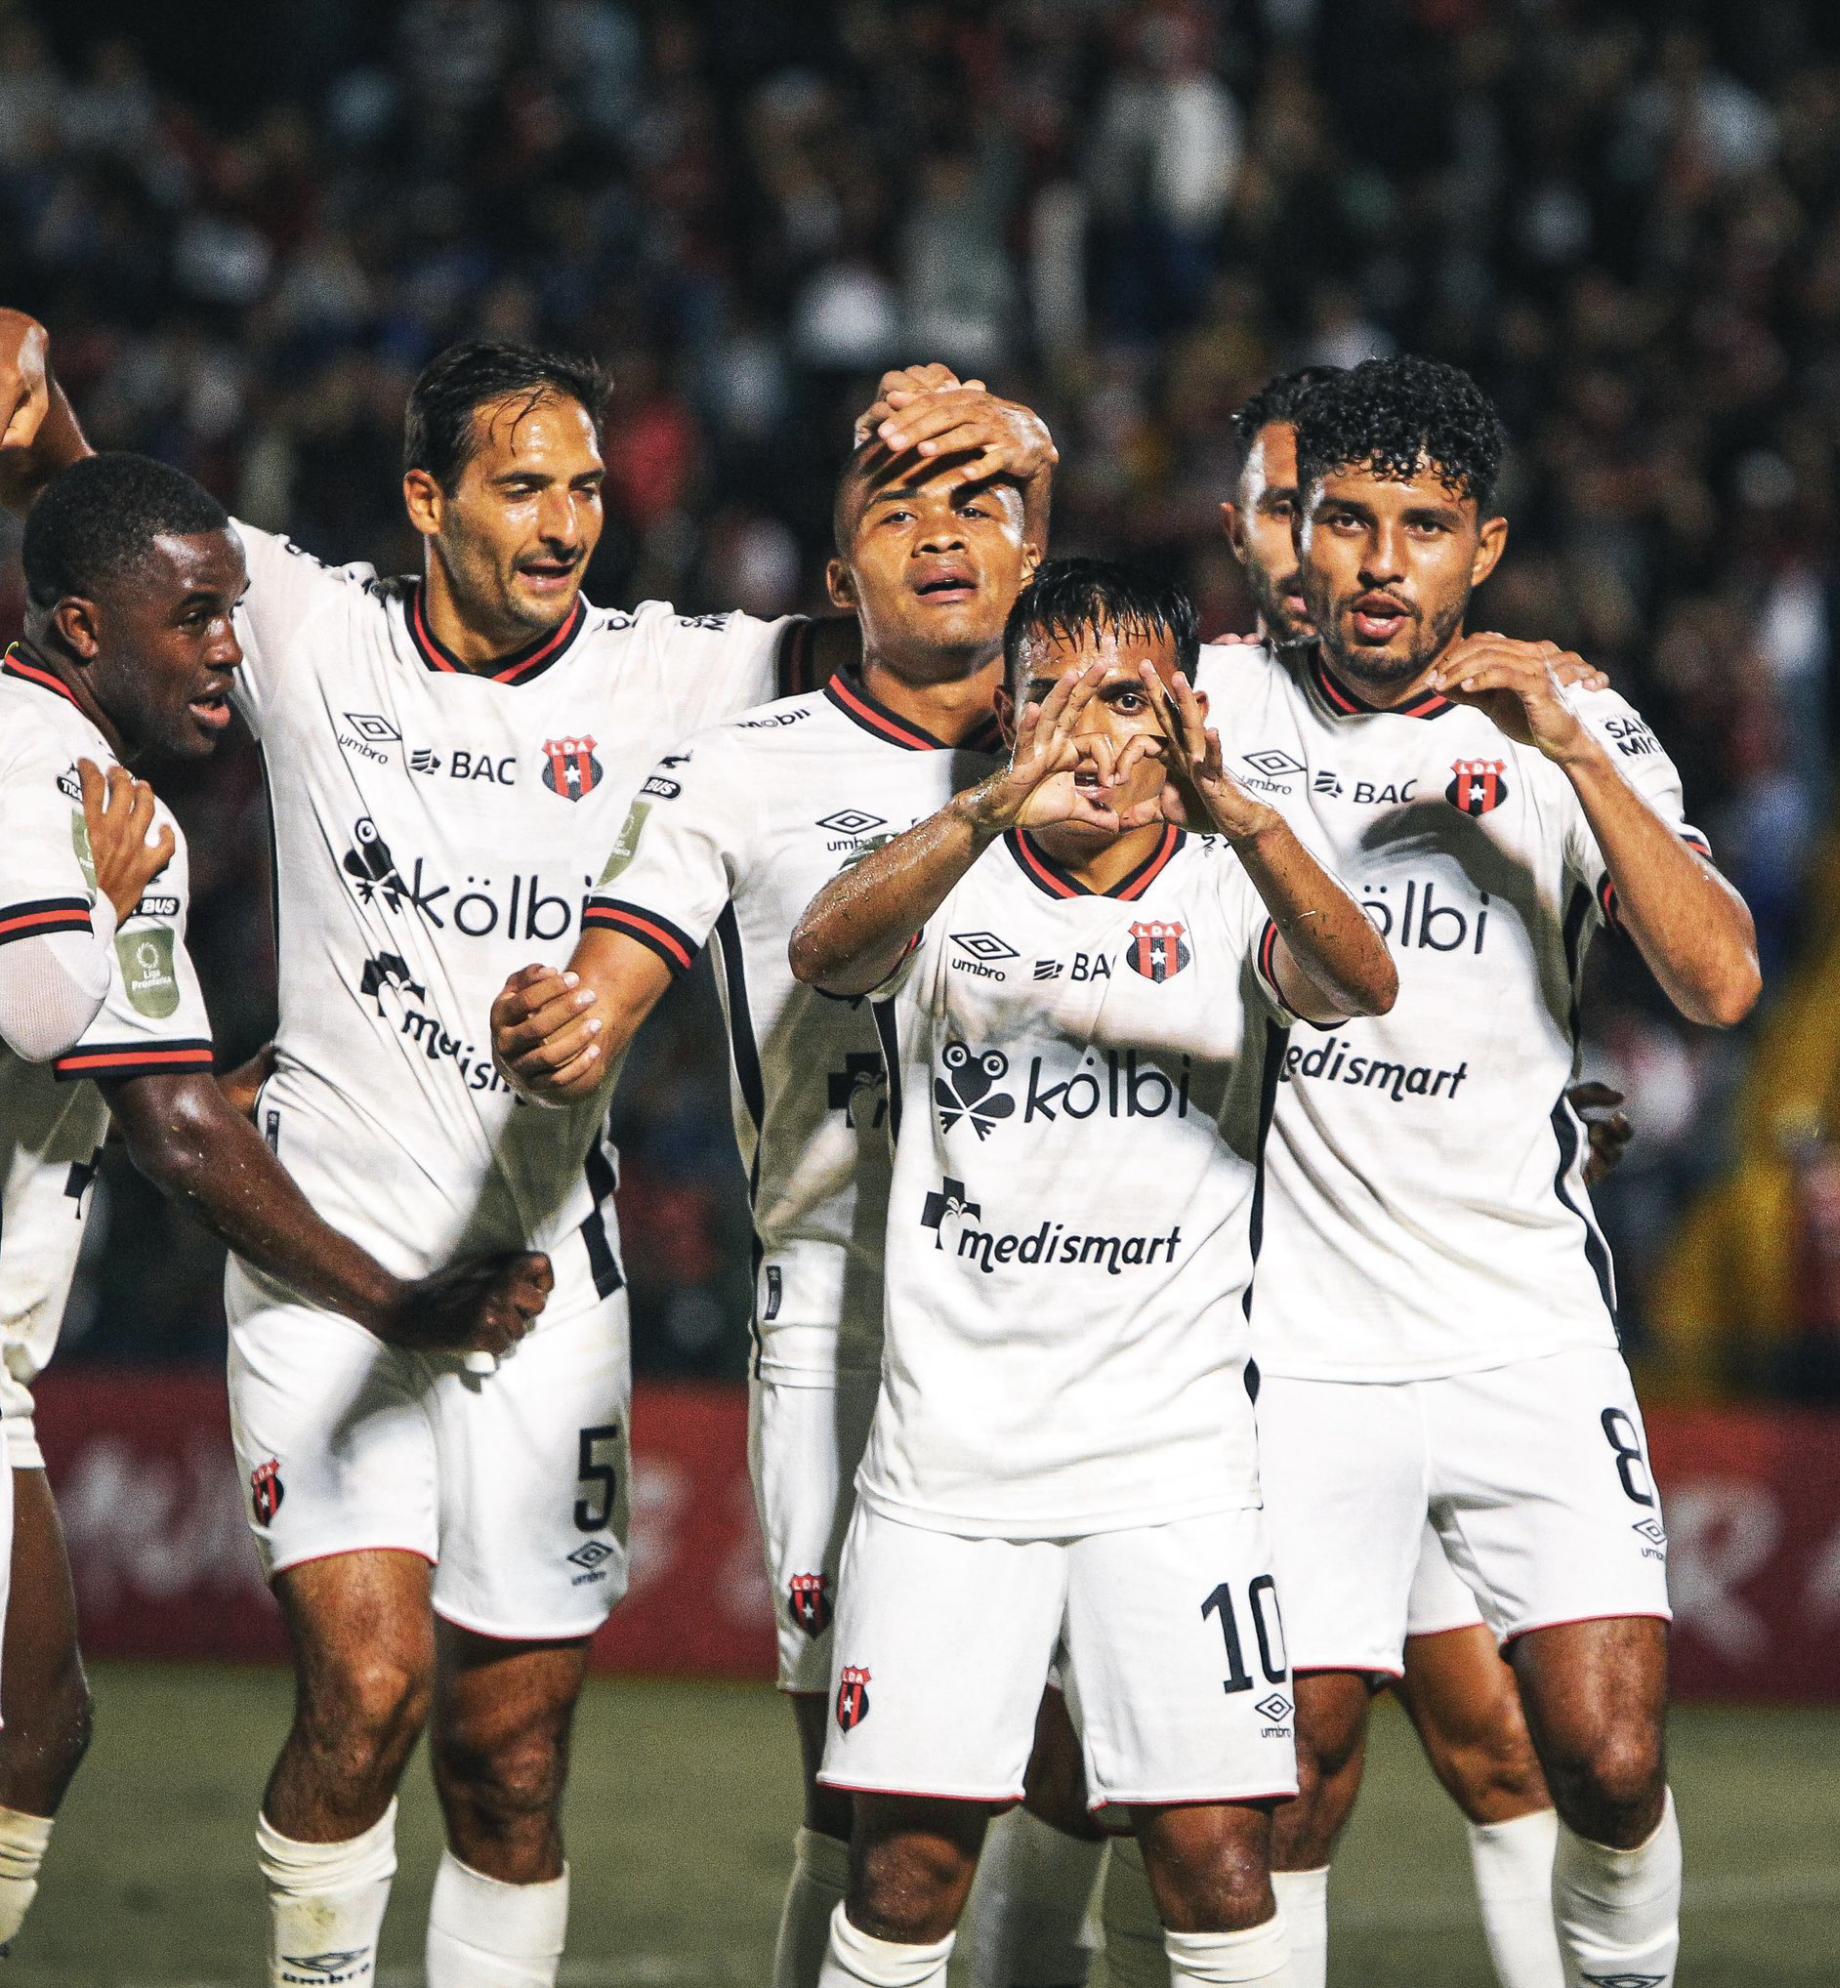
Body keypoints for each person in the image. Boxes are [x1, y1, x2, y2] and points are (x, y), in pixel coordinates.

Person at [0, 308, 1053, 1988]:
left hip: (548, 1288)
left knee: (513, 1765)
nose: (565, 523)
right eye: (521, 487)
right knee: (359, 1697)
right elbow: (125, 543)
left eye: (582, 489)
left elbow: (920, 649)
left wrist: (983, 465)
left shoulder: (675, 673)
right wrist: (37, 406)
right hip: (324, 1268)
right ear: (427, 500)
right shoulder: (311, 630)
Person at [1164, 355, 1757, 1988]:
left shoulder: (1577, 727)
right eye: (1345, 520)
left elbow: (1719, 982)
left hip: (1524, 1328)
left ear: (1481, 549)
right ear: (1298, 532)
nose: (1376, 561)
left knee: (1610, 1761)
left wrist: (1564, 748)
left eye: (1421, 528)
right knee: (1283, 1793)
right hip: (1295, 1345)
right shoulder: (1220, 706)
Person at [491, 433, 1108, 1987]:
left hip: (1090, 1312)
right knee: (863, 1799)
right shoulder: (748, 768)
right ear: (843, 585)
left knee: (1092, 1772)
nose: (945, 537)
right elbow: (613, 976)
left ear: (1036, 560)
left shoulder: (1128, 738)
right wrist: (574, 1025)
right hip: (849, 1309)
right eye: (900, 517)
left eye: (982, 511)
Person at [786, 558, 1397, 1988]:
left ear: (1182, 712)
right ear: (1005, 713)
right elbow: (824, 953)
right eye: (1048, 696)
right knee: (908, 1868)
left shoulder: (1237, 886)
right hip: (954, 1472)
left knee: (1219, 1860)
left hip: (1170, 1470)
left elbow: (1363, 982)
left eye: (1123, 698)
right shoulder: (950, 875)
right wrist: (989, 803)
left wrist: (1239, 811)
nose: (1087, 735)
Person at [0, 452, 547, 1961]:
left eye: (236, 611)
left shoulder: (74, 778)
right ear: (83, 629)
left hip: (6, 1382)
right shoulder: (58, 782)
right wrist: (395, 1301)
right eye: (193, 615)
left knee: (34, 1731)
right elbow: (167, 1124)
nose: (229, 645)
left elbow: (147, 1079)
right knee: (26, 1736)